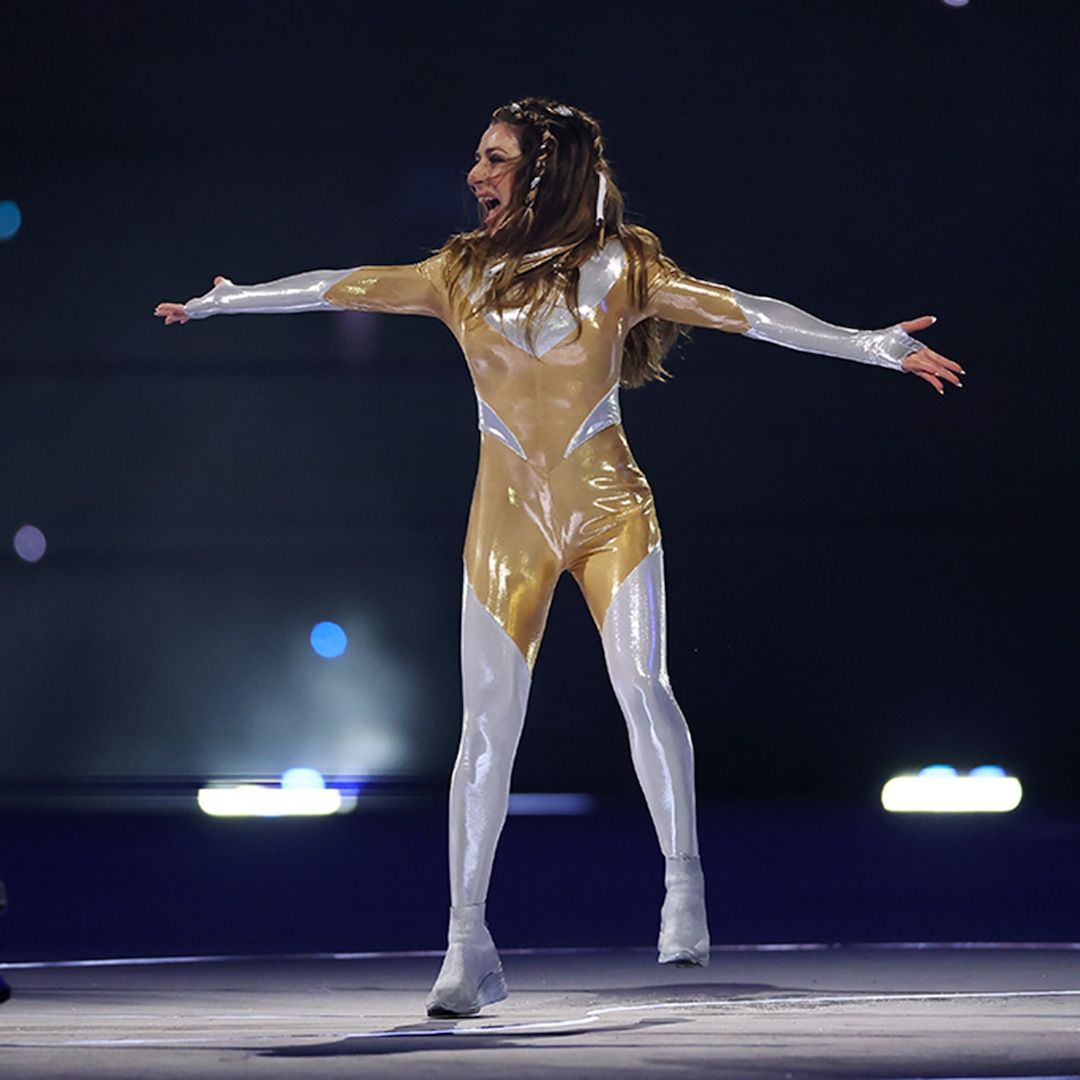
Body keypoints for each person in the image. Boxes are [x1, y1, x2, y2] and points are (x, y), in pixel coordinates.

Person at [155, 97, 962, 1018]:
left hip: (611, 514)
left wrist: (873, 345)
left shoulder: (623, 268)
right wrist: (233, 299)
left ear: (545, 170)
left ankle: (683, 884)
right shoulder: (457, 273)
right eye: (477, 157)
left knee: (643, 687)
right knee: (485, 731)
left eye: (494, 158)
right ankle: (466, 944)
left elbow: (749, 313)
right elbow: (346, 285)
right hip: (506, 524)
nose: (475, 175)